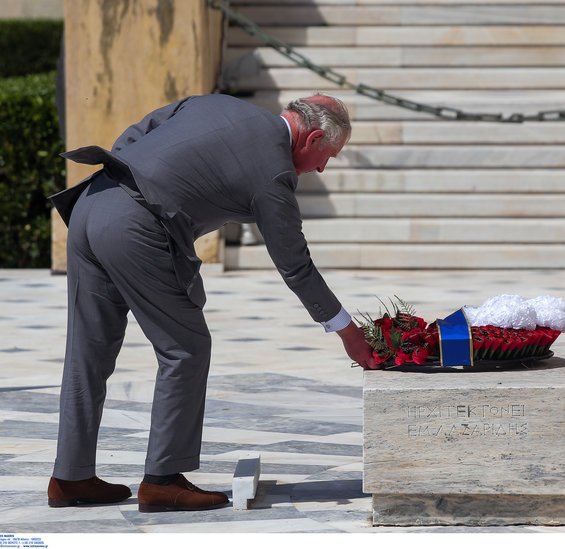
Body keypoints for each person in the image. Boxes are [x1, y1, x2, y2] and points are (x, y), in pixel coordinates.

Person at [47, 93, 377, 513]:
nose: (322, 167)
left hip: (90, 204)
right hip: (134, 226)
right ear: (312, 137)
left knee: (87, 351)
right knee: (185, 348)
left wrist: (142, 181)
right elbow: (295, 265)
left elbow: (140, 130)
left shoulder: (217, 104)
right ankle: (163, 481)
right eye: (327, 156)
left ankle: (70, 476)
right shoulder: (273, 172)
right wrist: (346, 330)